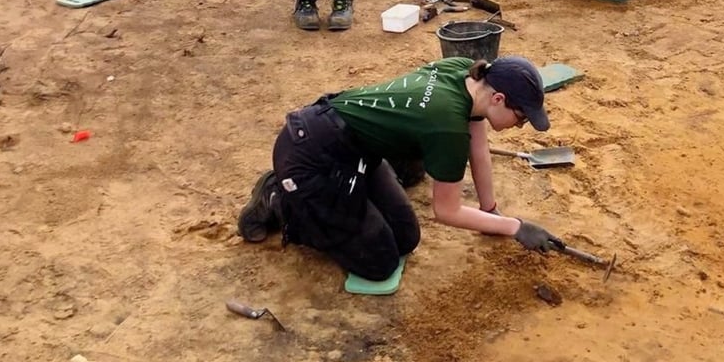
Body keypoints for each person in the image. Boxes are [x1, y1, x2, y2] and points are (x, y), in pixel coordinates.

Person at [235, 56, 565, 282]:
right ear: (498, 99)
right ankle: (282, 198)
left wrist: (491, 213)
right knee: (379, 263)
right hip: (311, 157)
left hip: (357, 152)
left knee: (406, 238)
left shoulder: (469, 74)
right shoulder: (446, 127)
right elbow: (446, 211)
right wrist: (514, 228)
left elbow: (478, 146)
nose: (520, 126)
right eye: (521, 118)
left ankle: (341, 202)